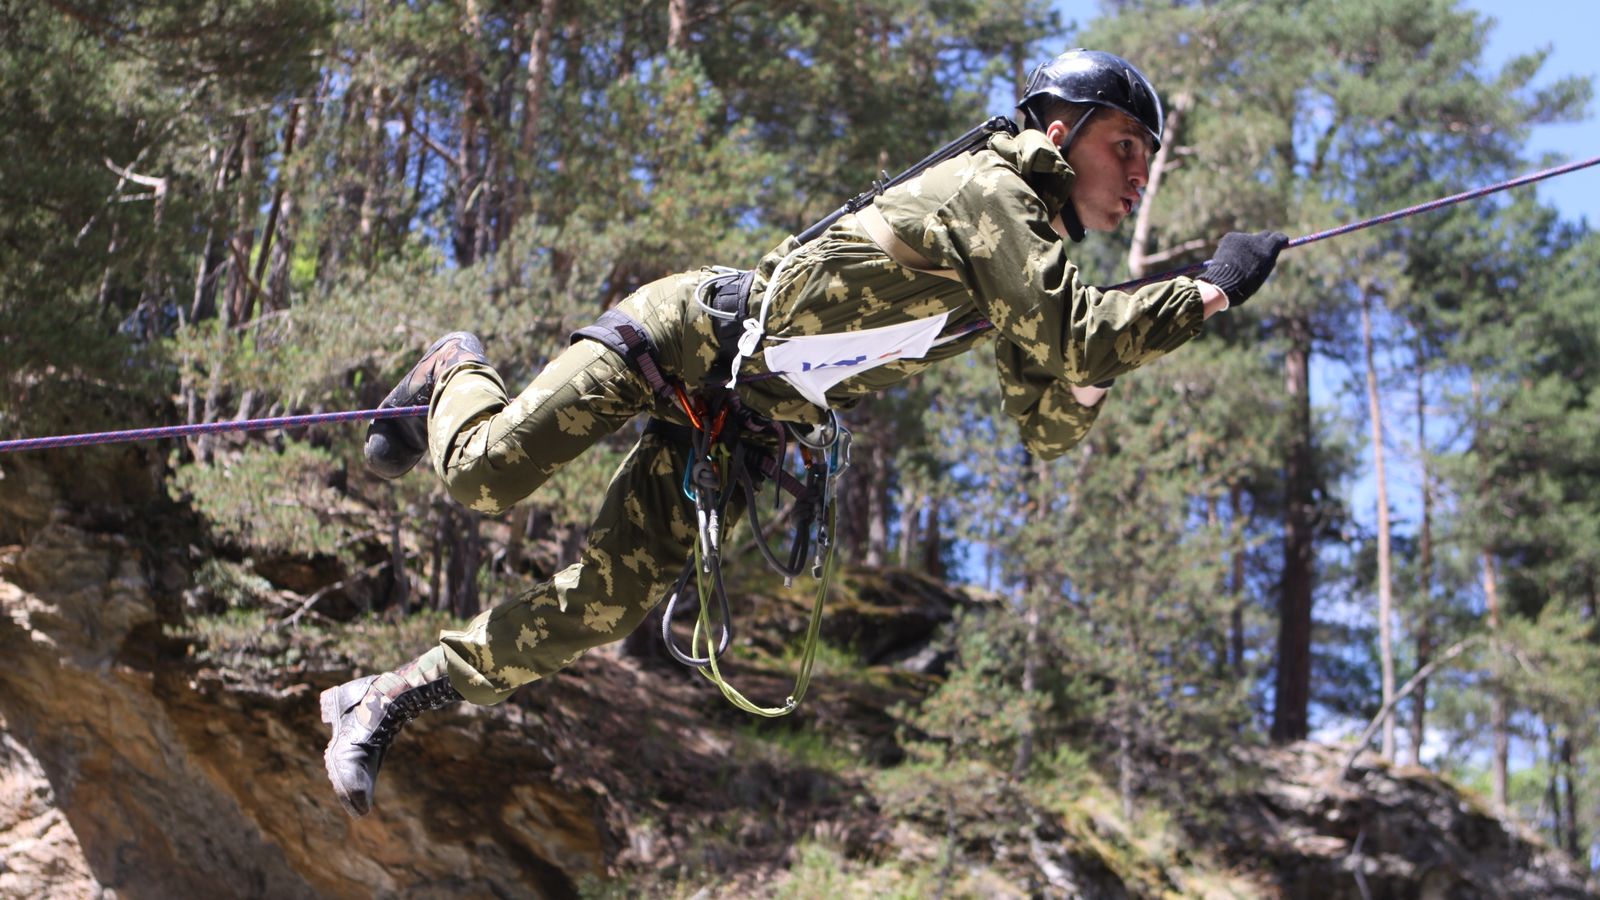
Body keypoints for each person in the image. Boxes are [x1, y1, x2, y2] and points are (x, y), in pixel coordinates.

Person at [320, 48, 1289, 818]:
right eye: (1126, 146)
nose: (1137, 174)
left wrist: (1110, 358)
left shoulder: (1021, 266)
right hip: (683, 336)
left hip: (737, 424)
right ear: (1059, 128)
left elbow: (1050, 416)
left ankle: (387, 697)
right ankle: (452, 369)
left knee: (603, 610)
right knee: (485, 477)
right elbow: (1077, 343)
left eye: (1150, 161)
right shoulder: (994, 192)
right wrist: (1206, 292)